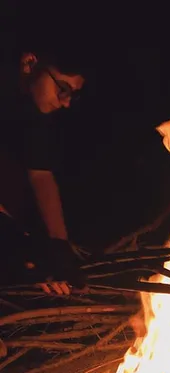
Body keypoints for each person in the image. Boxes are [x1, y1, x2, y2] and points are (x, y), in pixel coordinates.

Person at [0, 43, 87, 294]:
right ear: (30, 63)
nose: (66, 102)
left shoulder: (34, 113)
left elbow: (41, 174)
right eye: (62, 88)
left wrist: (59, 245)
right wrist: (16, 243)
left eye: (73, 94)